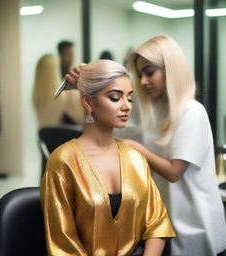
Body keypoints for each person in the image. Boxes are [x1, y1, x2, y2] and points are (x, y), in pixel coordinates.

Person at [65, 35, 226, 256]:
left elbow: (174, 172)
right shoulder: (152, 109)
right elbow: (108, 114)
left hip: (195, 224)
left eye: (149, 72)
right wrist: (84, 87)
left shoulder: (192, 112)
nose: (143, 81)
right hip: (163, 223)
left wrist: (135, 147)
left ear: (171, 69)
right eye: (140, 74)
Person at [41, 59, 176, 256]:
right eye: (115, 98)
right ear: (87, 102)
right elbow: (63, 243)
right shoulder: (62, 161)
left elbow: (156, 222)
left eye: (130, 99)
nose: (127, 106)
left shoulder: (135, 158)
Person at [32, 54, 84, 128]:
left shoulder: (36, 96)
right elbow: (82, 119)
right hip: (67, 138)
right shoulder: (67, 92)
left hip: (46, 138)